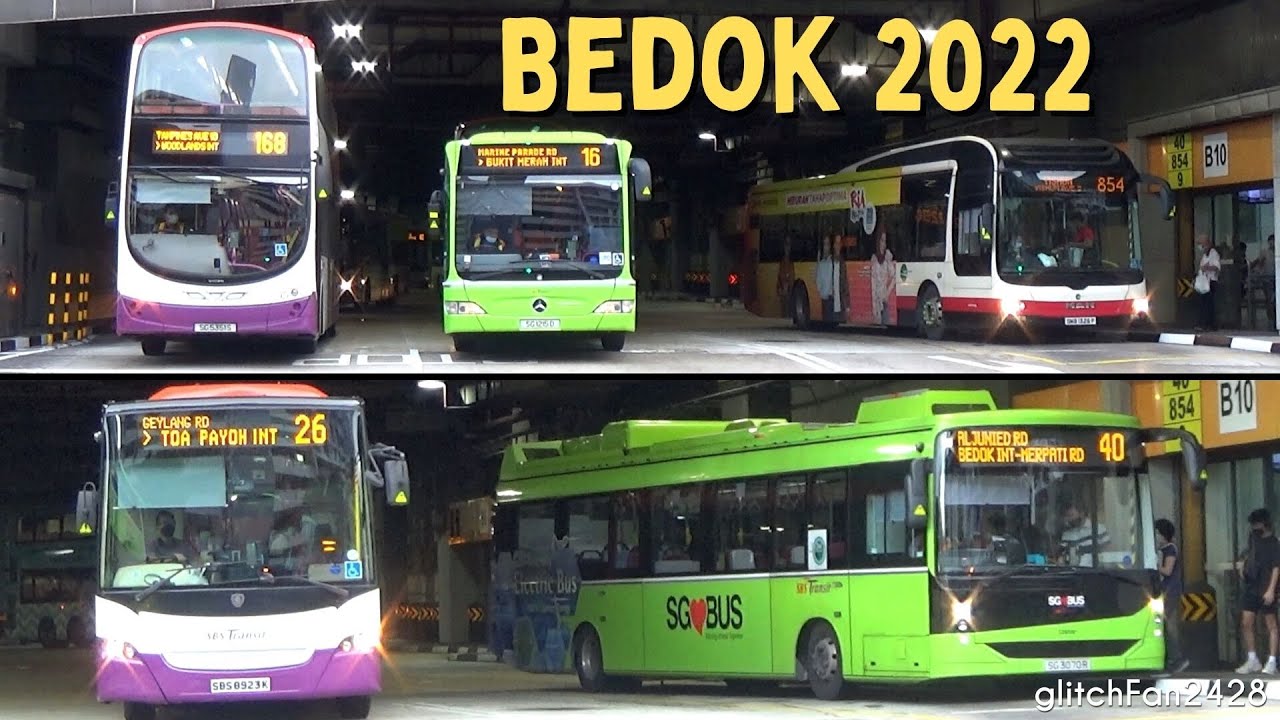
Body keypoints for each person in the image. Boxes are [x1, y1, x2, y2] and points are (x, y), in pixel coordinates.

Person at [1236, 508, 1280, 675]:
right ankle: (1252, 658)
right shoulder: (1253, 539)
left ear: (1264, 523)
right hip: (1251, 585)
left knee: (1271, 625)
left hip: (1267, 586)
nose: (1254, 527)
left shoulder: (1274, 543)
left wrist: (1271, 589)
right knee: (1246, 622)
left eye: (1257, 523)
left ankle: (1272, 661)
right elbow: (1249, 555)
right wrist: (1244, 566)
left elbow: (1276, 568)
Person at [1156, 518, 1190, 672]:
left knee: (1169, 626)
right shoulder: (1163, 550)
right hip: (1163, 592)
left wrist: (1154, 566)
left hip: (1170, 592)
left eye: (1157, 533)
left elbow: (1167, 570)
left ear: (1163, 535)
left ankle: (1177, 658)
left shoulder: (1170, 549)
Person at [1195, 233, 1221, 331]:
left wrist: (1206, 268)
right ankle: (1205, 323)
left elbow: (1216, 267)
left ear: (1206, 243)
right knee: (1204, 303)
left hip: (1210, 281)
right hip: (1204, 282)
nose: (1200, 247)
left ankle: (1210, 324)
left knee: (1208, 304)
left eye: (1201, 244)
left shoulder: (1213, 253)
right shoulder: (1205, 255)